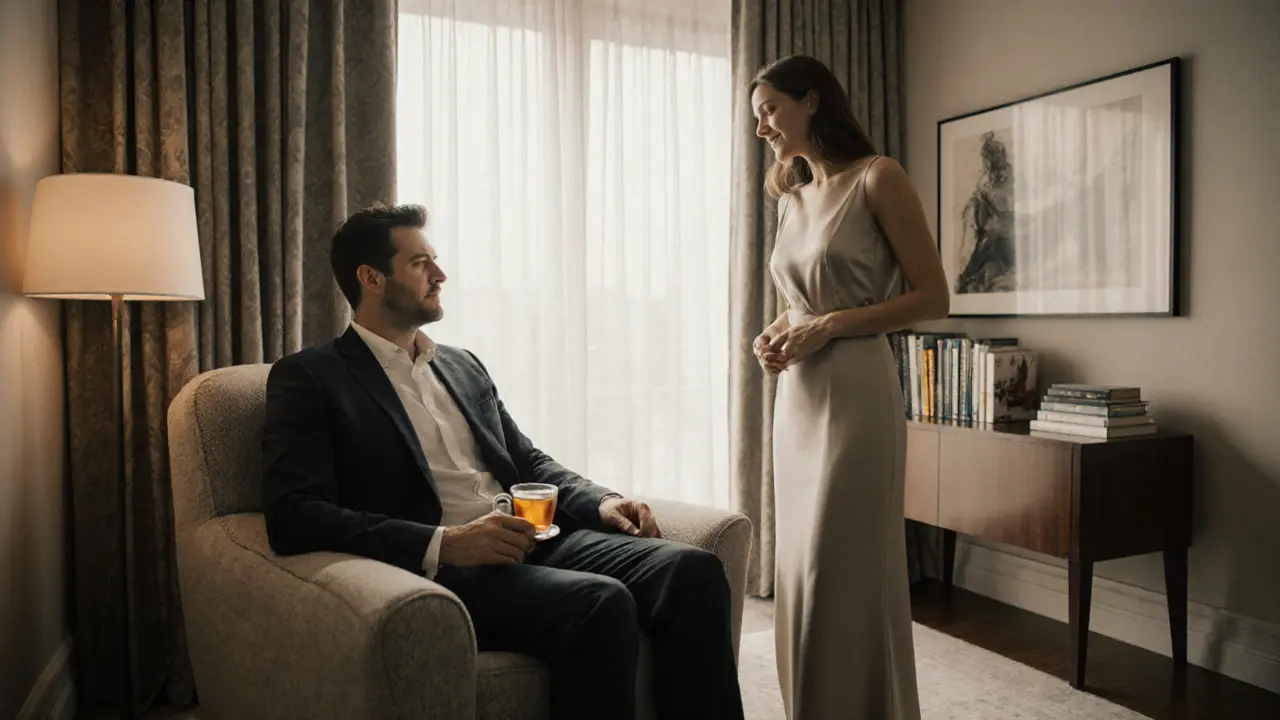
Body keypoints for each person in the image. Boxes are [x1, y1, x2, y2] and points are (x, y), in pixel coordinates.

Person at [260, 204, 746, 720]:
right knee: (602, 602)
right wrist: (447, 544)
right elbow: (295, 514)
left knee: (692, 569)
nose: (441, 275)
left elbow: (526, 458)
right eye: (421, 263)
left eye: (436, 261)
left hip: (536, 539)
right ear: (371, 278)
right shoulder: (310, 377)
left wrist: (602, 501)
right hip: (450, 568)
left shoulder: (462, 364)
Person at [748, 55, 951, 719]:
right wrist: (774, 334)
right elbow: (800, 299)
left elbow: (933, 296)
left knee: (844, 563)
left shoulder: (878, 178)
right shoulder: (792, 195)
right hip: (798, 396)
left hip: (857, 390)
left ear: (811, 102)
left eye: (770, 110)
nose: (763, 128)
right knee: (802, 563)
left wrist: (827, 325)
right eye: (757, 117)